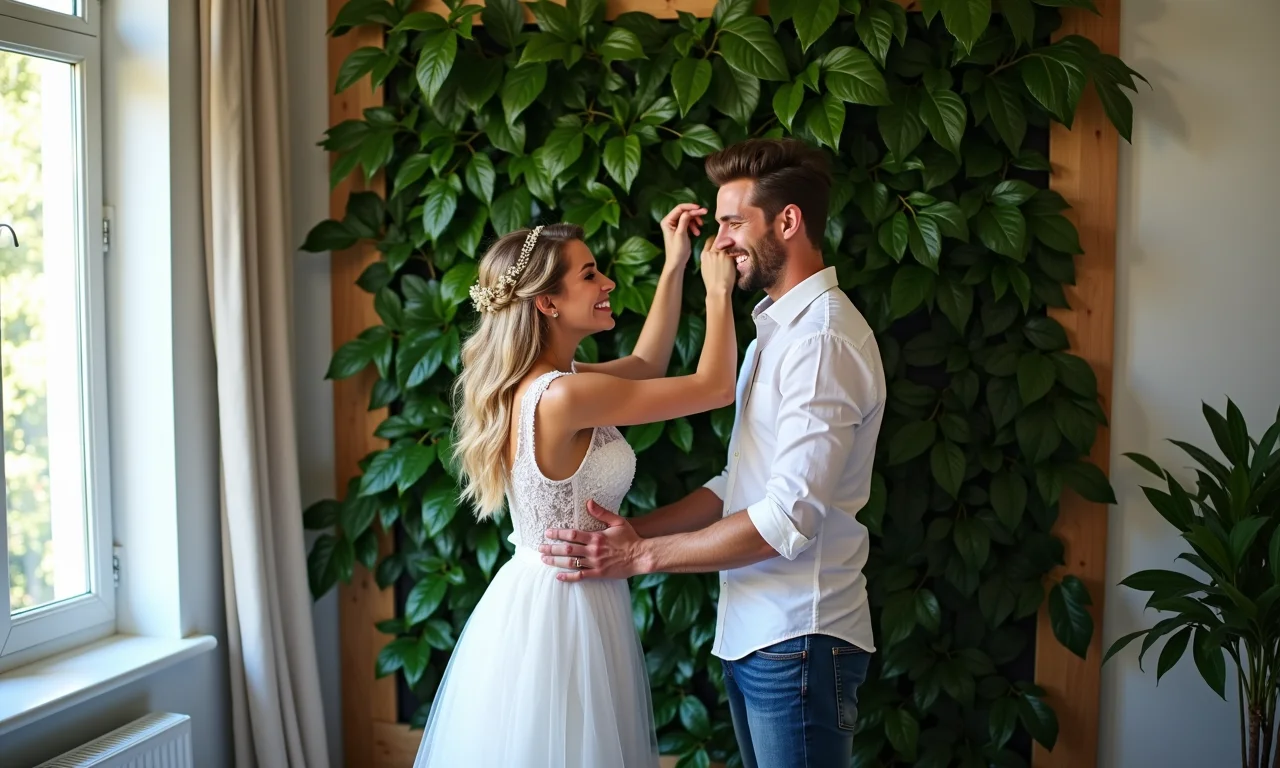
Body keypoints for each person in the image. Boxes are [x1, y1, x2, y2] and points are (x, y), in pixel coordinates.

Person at [540, 138, 888, 768]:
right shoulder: (774, 333)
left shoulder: (822, 342)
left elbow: (787, 519)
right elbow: (739, 483)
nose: (721, 243)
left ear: (788, 221)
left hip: (798, 637)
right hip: (757, 636)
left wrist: (642, 554)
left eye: (733, 223)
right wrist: (624, 536)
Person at [411, 205, 739, 768]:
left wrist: (675, 265)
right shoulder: (563, 397)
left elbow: (645, 362)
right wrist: (718, 294)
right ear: (547, 302)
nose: (608, 282)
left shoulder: (550, 384)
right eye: (590, 275)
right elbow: (715, 387)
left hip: (562, 592)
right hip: (564, 610)